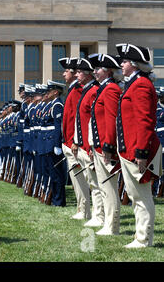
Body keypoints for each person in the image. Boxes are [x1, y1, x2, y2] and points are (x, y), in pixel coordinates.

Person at [115, 43, 161, 248]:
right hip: (130, 149)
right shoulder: (135, 84)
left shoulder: (141, 85)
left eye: (124, 61)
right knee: (135, 195)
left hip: (138, 150)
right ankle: (140, 236)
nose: (121, 64)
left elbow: (145, 121)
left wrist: (141, 152)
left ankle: (144, 239)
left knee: (141, 196)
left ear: (133, 64)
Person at [88, 53, 123, 235]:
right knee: (103, 186)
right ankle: (108, 223)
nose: (94, 72)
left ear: (108, 71)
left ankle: (112, 226)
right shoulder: (104, 89)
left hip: (105, 146)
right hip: (99, 145)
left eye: (98, 68)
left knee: (109, 187)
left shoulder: (110, 90)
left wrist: (108, 146)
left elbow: (111, 120)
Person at [72, 57, 104, 228]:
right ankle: (97, 213)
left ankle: (100, 215)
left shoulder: (93, 91)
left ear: (86, 74)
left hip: (89, 144)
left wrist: (91, 144)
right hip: (84, 143)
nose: (76, 75)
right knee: (91, 181)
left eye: (78, 72)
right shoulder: (87, 90)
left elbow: (94, 121)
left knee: (96, 182)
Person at [61, 57, 91, 219]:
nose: (63, 74)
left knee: (80, 178)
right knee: (76, 178)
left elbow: (78, 119)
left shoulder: (78, 90)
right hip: (68, 140)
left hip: (73, 141)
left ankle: (84, 210)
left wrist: (74, 140)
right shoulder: (73, 90)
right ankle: (81, 209)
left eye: (66, 71)